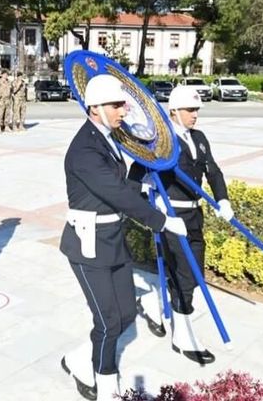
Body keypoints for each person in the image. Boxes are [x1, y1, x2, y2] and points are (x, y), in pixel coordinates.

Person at [60, 74, 186, 400]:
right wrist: (161, 221)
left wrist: (141, 178)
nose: (123, 110)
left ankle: (78, 360)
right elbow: (115, 192)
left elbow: (121, 186)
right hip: (88, 244)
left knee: (127, 314)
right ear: (95, 107)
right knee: (107, 321)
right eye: (117, 104)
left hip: (112, 238)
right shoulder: (85, 148)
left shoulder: (106, 138)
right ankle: (106, 387)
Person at [128, 86, 232, 365]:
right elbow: (133, 179)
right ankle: (183, 337)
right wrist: (151, 206)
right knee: (186, 276)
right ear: (173, 111)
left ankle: (153, 303)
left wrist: (222, 199)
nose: (195, 115)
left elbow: (213, 170)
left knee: (194, 271)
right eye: (190, 110)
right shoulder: (159, 142)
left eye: (196, 110)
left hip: (194, 215)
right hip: (171, 218)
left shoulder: (198, 137)